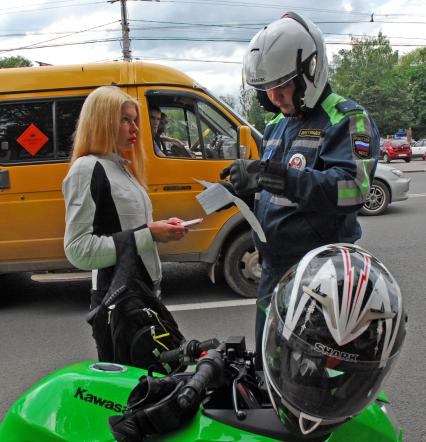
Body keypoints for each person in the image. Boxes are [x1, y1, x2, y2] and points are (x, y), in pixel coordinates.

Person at [220, 12, 380, 366]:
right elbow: (273, 191)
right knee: (267, 367)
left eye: (282, 85)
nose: (274, 96)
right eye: (267, 89)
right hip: (272, 271)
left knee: (309, 379)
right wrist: (245, 189)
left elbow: (354, 189)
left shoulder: (347, 120)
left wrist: (272, 175)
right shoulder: (277, 125)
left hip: (319, 278)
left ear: (310, 71)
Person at [62, 86, 188, 357]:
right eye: (125, 120)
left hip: (140, 295)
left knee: (153, 387)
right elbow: (78, 249)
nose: (135, 129)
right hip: (119, 301)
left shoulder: (120, 166)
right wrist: (150, 234)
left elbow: (131, 227)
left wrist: (160, 228)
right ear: (102, 122)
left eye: (135, 120)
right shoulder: (87, 169)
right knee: (135, 393)